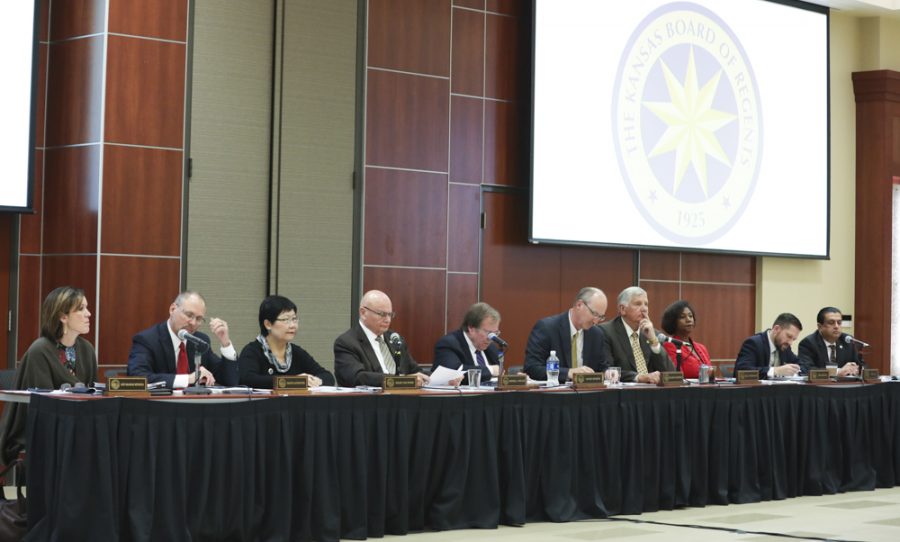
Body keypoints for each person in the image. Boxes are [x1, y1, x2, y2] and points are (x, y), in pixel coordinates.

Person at [0, 286, 98, 465]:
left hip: (76, 425)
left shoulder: (87, 349)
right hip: (44, 429)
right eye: (81, 309)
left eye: (87, 307)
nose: (89, 314)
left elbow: (91, 394)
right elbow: (43, 405)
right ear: (63, 317)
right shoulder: (40, 350)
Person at [127, 291, 238, 388]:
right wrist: (188, 379)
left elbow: (229, 381)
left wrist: (225, 342)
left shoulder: (199, 340)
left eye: (199, 319)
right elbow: (137, 377)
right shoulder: (147, 340)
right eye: (189, 315)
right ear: (172, 309)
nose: (193, 323)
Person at [333, 290, 429, 387]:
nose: (388, 320)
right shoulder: (346, 343)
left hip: (402, 399)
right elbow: (358, 377)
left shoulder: (395, 339)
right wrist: (399, 381)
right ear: (363, 313)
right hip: (369, 400)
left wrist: (426, 378)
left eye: (390, 314)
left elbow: (415, 371)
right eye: (382, 314)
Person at [238, 295, 335, 388]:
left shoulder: (296, 352)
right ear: (268, 324)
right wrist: (295, 382)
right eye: (286, 320)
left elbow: (327, 376)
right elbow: (248, 379)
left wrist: (315, 380)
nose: (293, 325)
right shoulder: (252, 351)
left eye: (294, 319)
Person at [524, 287, 610, 382]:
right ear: (579, 305)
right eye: (594, 314)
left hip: (587, 394)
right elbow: (532, 368)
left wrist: (608, 373)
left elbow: (602, 367)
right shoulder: (547, 328)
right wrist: (568, 373)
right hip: (556, 394)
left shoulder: (596, 334)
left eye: (601, 317)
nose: (596, 321)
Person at [600, 286, 674, 384]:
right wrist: (638, 377)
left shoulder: (653, 334)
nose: (644, 309)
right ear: (622, 309)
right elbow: (607, 370)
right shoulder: (606, 331)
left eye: (646, 304)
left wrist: (653, 341)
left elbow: (670, 373)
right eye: (638, 304)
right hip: (622, 395)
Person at [432, 302, 502, 385]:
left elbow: (500, 374)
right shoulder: (449, 344)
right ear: (471, 328)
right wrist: (490, 370)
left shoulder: (491, 348)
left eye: (495, 333)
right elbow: (454, 373)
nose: (491, 339)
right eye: (488, 333)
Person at [734, 313, 804, 379]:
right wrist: (775, 371)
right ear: (776, 329)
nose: (790, 342)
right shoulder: (754, 343)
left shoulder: (784, 346)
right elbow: (742, 371)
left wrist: (795, 370)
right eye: (789, 336)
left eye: (793, 339)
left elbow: (802, 365)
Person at [798, 307, 860, 377]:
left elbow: (861, 365)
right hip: (819, 387)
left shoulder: (847, 341)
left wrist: (855, 369)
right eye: (831, 323)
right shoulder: (808, 343)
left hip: (845, 385)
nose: (836, 326)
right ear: (820, 326)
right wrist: (837, 372)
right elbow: (806, 370)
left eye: (839, 323)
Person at [659, 300, 711, 379]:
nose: (688, 319)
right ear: (673, 322)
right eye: (682, 317)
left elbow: (710, 373)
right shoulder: (670, 346)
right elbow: (676, 376)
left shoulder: (702, 348)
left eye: (690, 316)